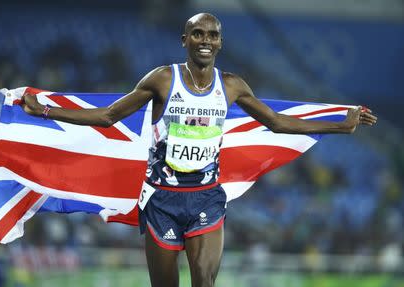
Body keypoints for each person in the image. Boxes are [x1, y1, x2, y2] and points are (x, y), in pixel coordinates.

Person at [21, 13, 377, 287]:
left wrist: (341, 125)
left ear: (220, 43)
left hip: (206, 196)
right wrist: (47, 110)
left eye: (213, 35)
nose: (206, 40)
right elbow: (109, 116)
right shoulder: (162, 79)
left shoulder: (232, 85)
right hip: (162, 199)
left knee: (204, 282)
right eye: (198, 34)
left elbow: (278, 123)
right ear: (184, 40)